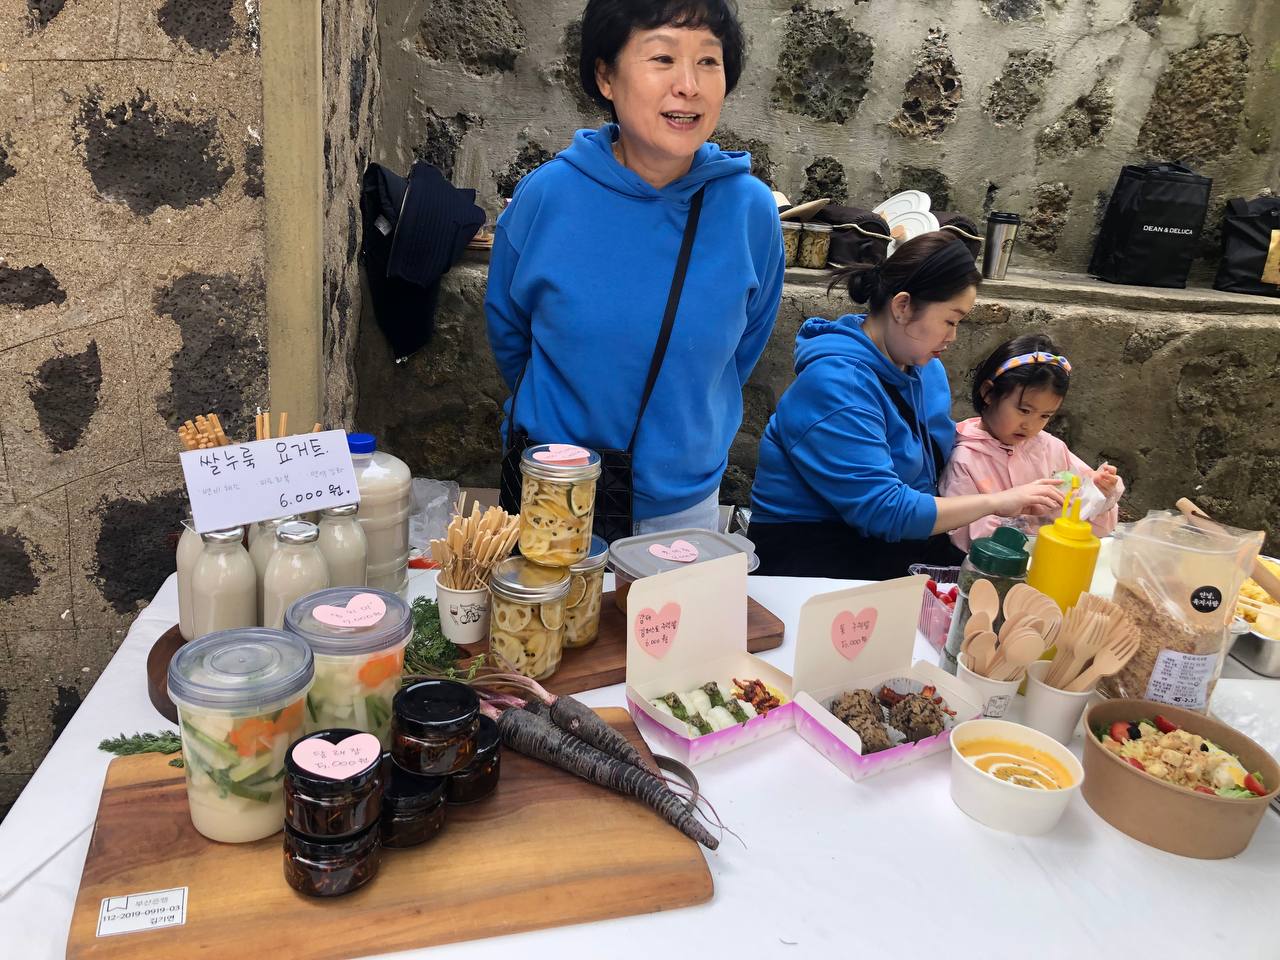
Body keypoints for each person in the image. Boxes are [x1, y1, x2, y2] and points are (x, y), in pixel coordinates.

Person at [485, 0, 784, 536]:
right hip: (556, 487)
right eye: (662, 58)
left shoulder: (750, 212)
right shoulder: (547, 197)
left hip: (684, 504)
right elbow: (511, 337)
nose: (688, 86)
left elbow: (741, 350)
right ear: (606, 77)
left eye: (708, 61)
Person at [748, 232, 1064, 580]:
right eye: (950, 321)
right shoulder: (836, 386)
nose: (952, 336)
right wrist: (998, 501)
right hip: (814, 552)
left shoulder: (924, 368)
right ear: (902, 306)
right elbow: (883, 511)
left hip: (897, 541)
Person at [939, 334, 1125, 550]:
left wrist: (1097, 493)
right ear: (988, 392)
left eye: (1045, 416)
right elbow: (968, 536)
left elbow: (1092, 526)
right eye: (1024, 410)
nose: (1031, 425)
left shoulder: (1050, 448)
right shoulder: (965, 458)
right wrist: (1026, 520)